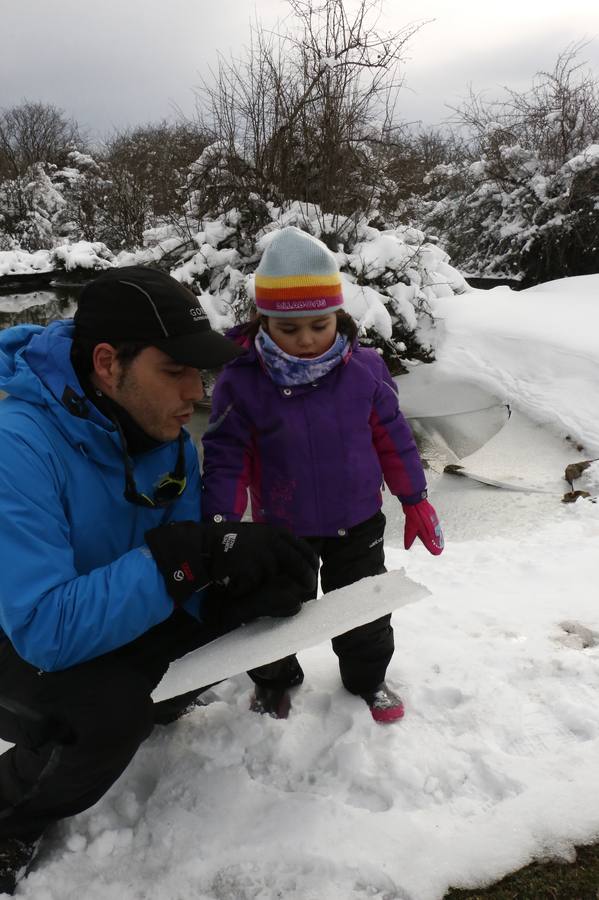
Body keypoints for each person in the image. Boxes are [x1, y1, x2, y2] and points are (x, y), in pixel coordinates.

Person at [0, 265, 318, 894]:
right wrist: (183, 558)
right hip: (20, 641)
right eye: (174, 372)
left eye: (198, 372)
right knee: (107, 712)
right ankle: (13, 816)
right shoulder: (19, 446)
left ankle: (165, 700)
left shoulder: (166, 436)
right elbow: (43, 629)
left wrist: (243, 581)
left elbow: (188, 562)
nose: (195, 394)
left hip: (110, 616)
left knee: (261, 578)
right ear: (107, 363)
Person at [202, 227, 444, 722]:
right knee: (272, 613)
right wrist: (221, 525)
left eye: (320, 324)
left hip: (356, 521)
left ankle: (368, 679)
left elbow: (393, 439)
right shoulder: (242, 381)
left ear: (339, 314)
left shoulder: (366, 371)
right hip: (280, 526)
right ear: (262, 320)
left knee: (363, 612)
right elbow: (227, 455)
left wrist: (414, 497)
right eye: (288, 329)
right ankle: (275, 681)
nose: (307, 340)